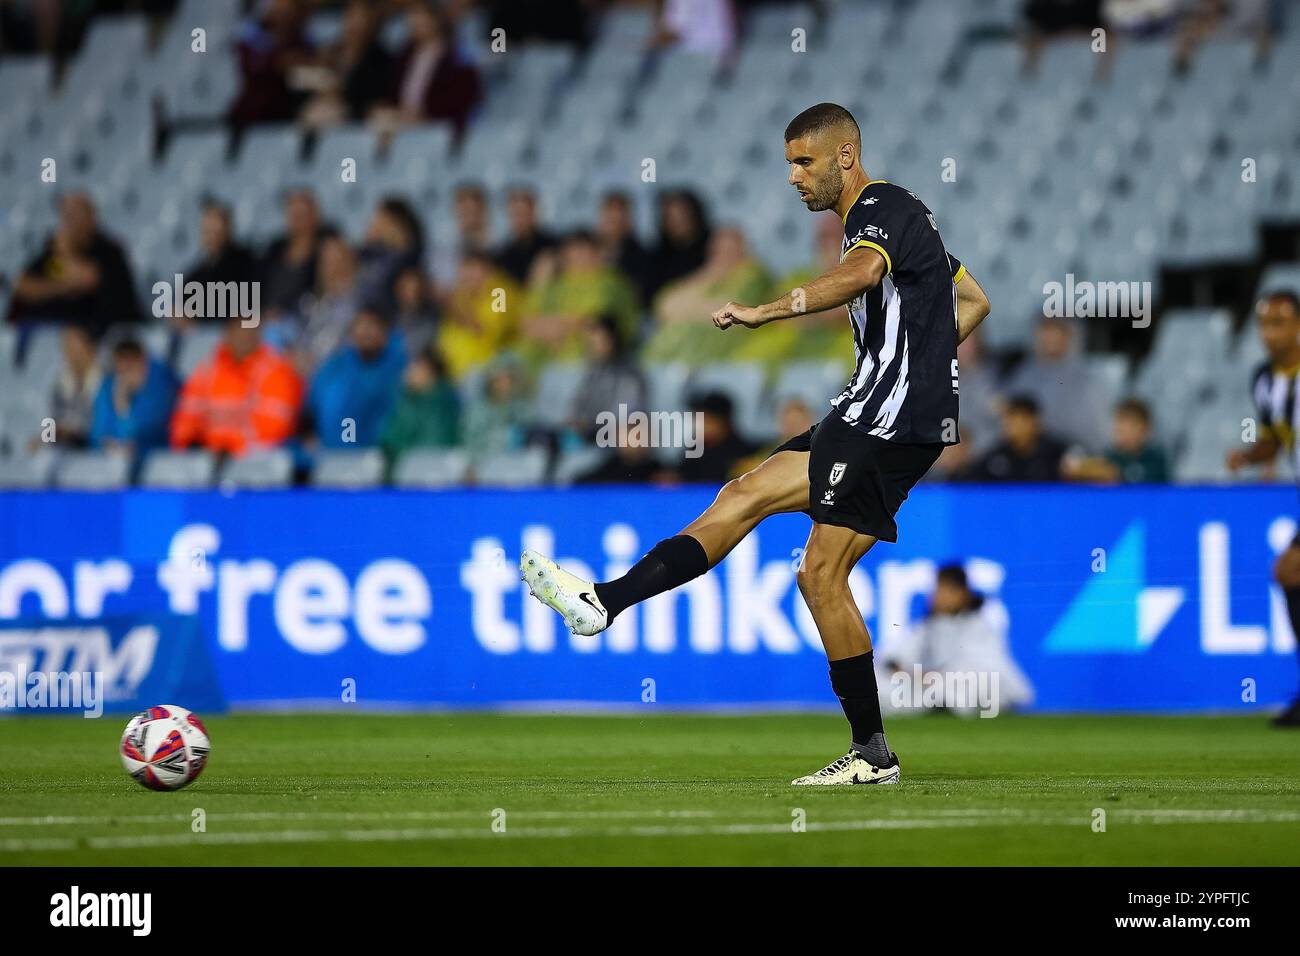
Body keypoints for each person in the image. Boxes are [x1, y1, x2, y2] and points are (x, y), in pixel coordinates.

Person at [520, 103, 991, 786]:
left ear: (846, 157)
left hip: (883, 417)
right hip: (879, 410)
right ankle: (603, 601)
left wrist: (766, 310)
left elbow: (861, 277)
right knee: (743, 495)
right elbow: (974, 298)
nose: (795, 177)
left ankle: (871, 754)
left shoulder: (878, 209)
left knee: (818, 574)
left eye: (805, 162)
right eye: (790, 164)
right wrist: (925, 366)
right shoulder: (906, 221)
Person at [1226, 289, 1300, 726]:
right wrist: (1250, 456)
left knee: (1289, 570)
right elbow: (1277, 435)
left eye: (1280, 322)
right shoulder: (1265, 379)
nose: (1270, 333)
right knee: (1289, 572)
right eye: (1264, 324)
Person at [881, 563, 1034, 716]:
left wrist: (931, 676)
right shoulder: (929, 625)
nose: (938, 596)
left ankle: (944, 706)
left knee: (951, 687)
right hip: (931, 685)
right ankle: (940, 705)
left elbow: (978, 668)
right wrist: (898, 667)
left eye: (945, 590)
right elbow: (897, 654)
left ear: (962, 594)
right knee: (878, 684)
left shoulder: (978, 625)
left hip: (974, 685)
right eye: (938, 590)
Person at [10, 192, 141, 338]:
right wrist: (60, 287)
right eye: (66, 215)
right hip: (56, 330)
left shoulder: (109, 250)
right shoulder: (53, 253)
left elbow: (86, 279)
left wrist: (64, 252)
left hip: (108, 335)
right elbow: (22, 285)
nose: (69, 222)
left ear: (92, 217)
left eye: (75, 214)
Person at [170, 316, 304, 458]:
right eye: (238, 327)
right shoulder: (208, 370)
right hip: (208, 459)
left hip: (256, 462)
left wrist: (231, 448)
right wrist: (192, 444)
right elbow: (185, 419)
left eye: (249, 328)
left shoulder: (277, 370)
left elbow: (275, 428)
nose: (244, 335)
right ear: (227, 332)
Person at [306, 307, 405, 450]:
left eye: (372, 326)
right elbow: (313, 404)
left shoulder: (398, 370)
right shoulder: (335, 366)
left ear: (385, 332)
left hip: (377, 455)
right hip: (330, 454)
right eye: (361, 326)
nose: (366, 332)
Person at [90, 336, 178, 457]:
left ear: (143, 361)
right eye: (121, 368)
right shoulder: (109, 385)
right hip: (115, 457)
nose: (127, 374)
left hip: (154, 454)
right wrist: (107, 444)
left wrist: (123, 404)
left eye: (131, 365)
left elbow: (149, 431)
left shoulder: (162, 383)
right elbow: (98, 433)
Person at [380, 346, 461, 467]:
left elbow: (433, 444)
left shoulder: (440, 406)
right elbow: (390, 438)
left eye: (416, 367)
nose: (408, 372)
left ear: (431, 373)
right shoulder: (405, 400)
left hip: (428, 470)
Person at [1064, 397, 1169, 483]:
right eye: (1120, 425)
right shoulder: (1110, 455)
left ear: (1146, 429)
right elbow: (1078, 469)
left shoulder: (1155, 459)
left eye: (1131, 426)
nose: (1123, 431)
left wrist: (1115, 474)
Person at [968, 394, 1068, 482]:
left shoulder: (1056, 453)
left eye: (1020, 420)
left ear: (1035, 421)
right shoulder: (995, 457)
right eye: (1009, 420)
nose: (1013, 426)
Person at [39, 324, 103, 450]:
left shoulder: (107, 379)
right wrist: (49, 438)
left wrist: (76, 429)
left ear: (90, 346)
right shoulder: (58, 379)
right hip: (64, 445)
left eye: (74, 343)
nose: (68, 349)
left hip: (96, 448)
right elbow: (49, 417)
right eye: (66, 343)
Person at [494, 187, 558, 286]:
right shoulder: (503, 254)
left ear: (534, 211)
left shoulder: (553, 245)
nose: (520, 219)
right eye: (516, 213)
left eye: (524, 212)